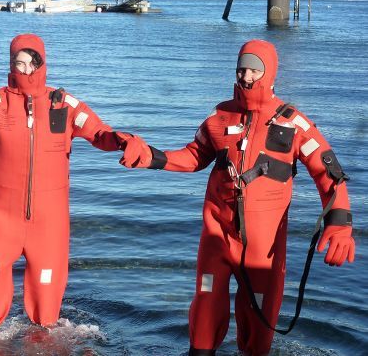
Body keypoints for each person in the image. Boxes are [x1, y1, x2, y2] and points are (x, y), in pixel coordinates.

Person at [120, 39, 355, 355]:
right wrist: (150, 157)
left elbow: (329, 174)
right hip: (217, 236)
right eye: (242, 68)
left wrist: (339, 222)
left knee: (258, 330)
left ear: (269, 73)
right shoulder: (219, 117)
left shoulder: (294, 123)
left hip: (263, 248)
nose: (246, 76)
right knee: (205, 312)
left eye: (254, 70)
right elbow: (193, 156)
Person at [0, 33, 143, 337]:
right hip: (2, 219)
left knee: (46, 317)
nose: (24, 70)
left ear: (41, 63)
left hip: (48, 223)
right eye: (17, 63)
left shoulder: (66, 105)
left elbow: (98, 132)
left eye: (29, 63)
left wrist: (121, 140)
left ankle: (43, 342)